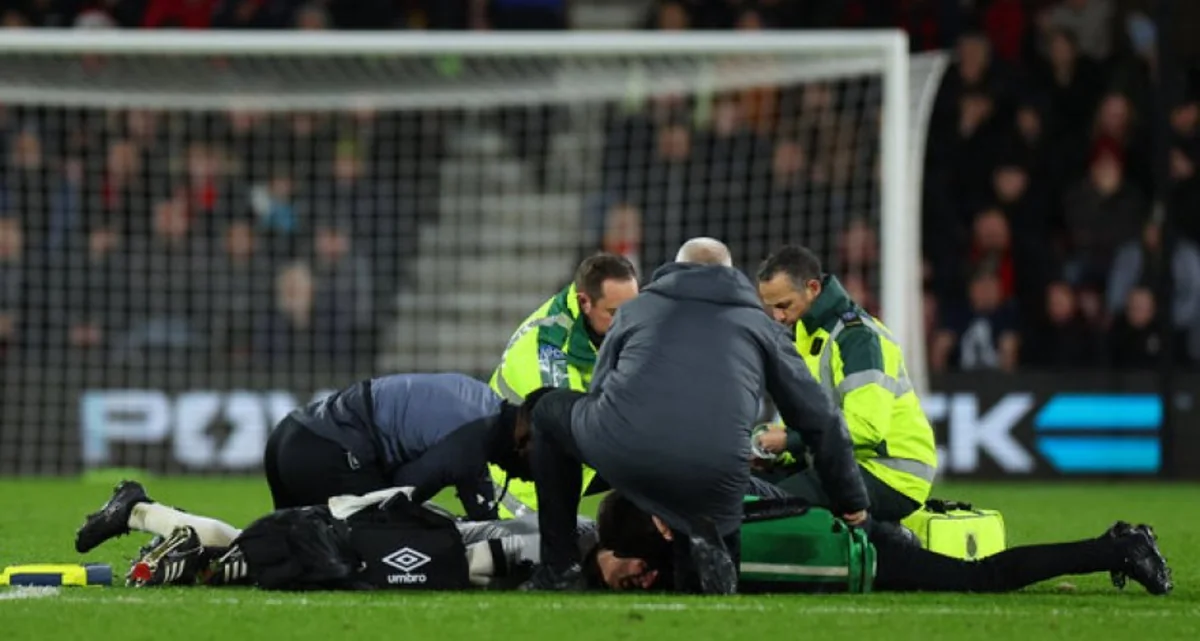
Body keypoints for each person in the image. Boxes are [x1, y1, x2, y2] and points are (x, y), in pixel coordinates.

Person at [522, 238, 868, 593]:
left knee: (548, 410)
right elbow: (821, 420)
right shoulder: (762, 327)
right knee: (706, 572)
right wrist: (850, 500)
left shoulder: (634, 311)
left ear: (675, 269)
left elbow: (601, 394)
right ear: (731, 275)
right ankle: (700, 550)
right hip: (717, 475)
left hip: (628, 451)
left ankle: (559, 567)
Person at [75, 373, 536, 554]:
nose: (533, 469)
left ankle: (144, 514)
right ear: (525, 435)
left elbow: (469, 493)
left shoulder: (479, 405)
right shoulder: (478, 432)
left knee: (271, 550)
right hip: (328, 450)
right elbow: (402, 494)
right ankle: (149, 517)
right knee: (372, 547)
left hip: (297, 437)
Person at [592, 492, 1174, 596]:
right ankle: (1113, 544)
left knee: (982, 577)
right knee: (979, 576)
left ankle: (1118, 549)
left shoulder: (697, 554)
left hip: (860, 551)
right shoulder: (698, 510)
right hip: (850, 536)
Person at [71, 480, 596, 590]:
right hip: (392, 531)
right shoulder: (575, 537)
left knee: (244, 549)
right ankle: (139, 508)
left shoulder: (575, 529)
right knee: (249, 557)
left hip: (404, 523)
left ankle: (137, 509)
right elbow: (486, 557)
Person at [755, 246, 938, 522]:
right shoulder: (807, 335)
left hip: (892, 472)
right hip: (841, 461)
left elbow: (866, 428)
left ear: (813, 288)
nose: (778, 317)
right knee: (745, 488)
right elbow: (813, 421)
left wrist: (788, 440)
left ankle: (885, 538)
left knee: (769, 505)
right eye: (772, 308)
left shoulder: (859, 339)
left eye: (783, 305)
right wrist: (772, 451)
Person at [487, 253, 639, 518]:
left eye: (632, 309)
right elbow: (574, 436)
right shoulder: (548, 351)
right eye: (615, 313)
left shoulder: (599, 328)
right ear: (585, 302)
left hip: (568, 457)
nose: (628, 321)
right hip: (522, 489)